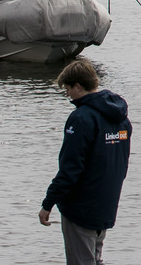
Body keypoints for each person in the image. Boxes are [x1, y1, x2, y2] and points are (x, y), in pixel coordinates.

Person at [40, 58, 131, 265]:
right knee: (95, 260)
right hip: (106, 206)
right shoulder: (121, 120)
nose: (67, 95)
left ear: (78, 86)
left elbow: (70, 169)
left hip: (81, 209)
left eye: (68, 89)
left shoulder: (81, 118)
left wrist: (48, 203)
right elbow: (122, 165)